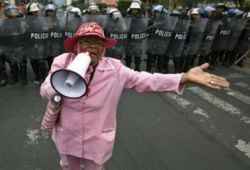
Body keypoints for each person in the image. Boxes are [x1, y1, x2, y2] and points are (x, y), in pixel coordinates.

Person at [40, 22, 230, 170]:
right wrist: (65, 79)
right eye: (86, 42)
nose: (92, 47)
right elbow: (45, 90)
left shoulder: (115, 69)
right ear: (77, 45)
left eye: (98, 42)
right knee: (68, 167)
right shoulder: (62, 62)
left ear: (104, 47)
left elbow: (145, 80)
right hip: (68, 134)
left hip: (96, 137)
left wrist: (183, 78)